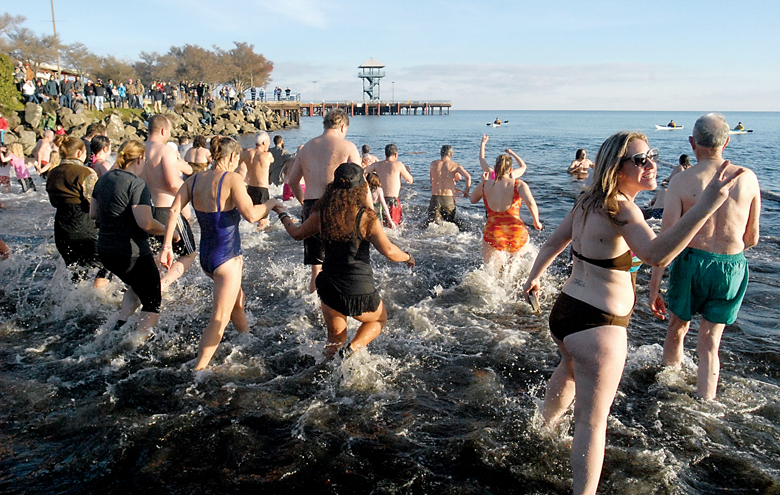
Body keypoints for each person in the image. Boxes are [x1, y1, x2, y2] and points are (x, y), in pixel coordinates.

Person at [522, 131, 743, 495]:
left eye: (651, 156)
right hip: (599, 326)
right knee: (593, 423)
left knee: (569, 371)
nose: (651, 164)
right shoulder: (623, 208)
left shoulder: (588, 201)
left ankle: (540, 431)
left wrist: (535, 277)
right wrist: (706, 205)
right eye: (640, 160)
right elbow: (656, 254)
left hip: (566, 315)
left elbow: (553, 241)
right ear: (617, 167)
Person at [649, 113, 761, 400]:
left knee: (677, 328)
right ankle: (705, 398)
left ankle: (669, 388)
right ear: (726, 143)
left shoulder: (682, 180)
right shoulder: (748, 179)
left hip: (691, 262)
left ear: (692, 142)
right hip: (732, 265)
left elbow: (666, 240)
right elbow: (752, 238)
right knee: (710, 341)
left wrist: (654, 286)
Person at [161, 137, 282, 369]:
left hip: (207, 257)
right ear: (233, 157)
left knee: (237, 300)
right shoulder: (232, 179)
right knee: (219, 319)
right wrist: (272, 203)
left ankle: (247, 339)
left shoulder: (194, 179)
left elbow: (174, 209)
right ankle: (198, 372)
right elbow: (251, 215)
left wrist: (167, 247)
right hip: (227, 258)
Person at [279, 162, 414, 358]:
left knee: (334, 341)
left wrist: (282, 213)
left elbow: (296, 233)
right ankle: (352, 349)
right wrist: (408, 257)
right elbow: (390, 251)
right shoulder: (367, 217)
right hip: (359, 288)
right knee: (378, 320)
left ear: (333, 186)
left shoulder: (322, 213)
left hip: (329, 285)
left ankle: (323, 374)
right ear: (362, 188)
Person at [91, 140, 171, 339]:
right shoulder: (137, 184)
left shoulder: (103, 180)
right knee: (152, 300)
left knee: (136, 286)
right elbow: (147, 224)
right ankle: (138, 344)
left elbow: (93, 213)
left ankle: (120, 326)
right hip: (132, 252)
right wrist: (170, 231)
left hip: (106, 250)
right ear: (140, 158)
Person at [286, 109, 361, 293]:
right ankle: (338, 310)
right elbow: (360, 184)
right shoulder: (348, 147)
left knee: (316, 268)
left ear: (325, 125)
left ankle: (314, 309)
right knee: (342, 263)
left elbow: (293, 181)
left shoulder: (306, 148)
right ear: (343, 126)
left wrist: (304, 202)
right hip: (338, 207)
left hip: (312, 206)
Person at [45, 137, 111, 289]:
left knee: (76, 274)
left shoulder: (52, 173)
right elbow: (94, 203)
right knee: (108, 261)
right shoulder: (86, 172)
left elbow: (53, 202)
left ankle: (75, 303)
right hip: (85, 228)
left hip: (62, 230)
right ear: (80, 152)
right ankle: (98, 297)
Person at [141, 115, 197, 290]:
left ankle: (148, 288)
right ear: (163, 130)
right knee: (189, 253)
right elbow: (173, 183)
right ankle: (162, 285)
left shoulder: (138, 150)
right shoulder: (165, 151)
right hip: (167, 210)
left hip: (145, 210)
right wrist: (194, 192)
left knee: (156, 256)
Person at [470, 153, 542, 269]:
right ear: (511, 169)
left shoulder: (484, 185)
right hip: (517, 233)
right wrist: (536, 221)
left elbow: (473, 200)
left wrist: (484, 181)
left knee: (492, 274)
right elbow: (531, 203)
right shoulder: (519, 185)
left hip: (494, 233)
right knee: (513, 269)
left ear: (495, 168)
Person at [365, 144, 413, 228]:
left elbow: (363, 171)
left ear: (385, 154)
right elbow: (409, 180)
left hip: (378, 200)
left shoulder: (377, 165)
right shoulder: (398, 165)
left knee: (381, 227)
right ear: (395, 154)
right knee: (394, 227)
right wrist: (408, 171)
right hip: (392, 201)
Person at [236, 132, 274, 230]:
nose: (269, 144)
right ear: (264, 143)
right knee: (263, 221)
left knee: (251, 218)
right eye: (269, 142)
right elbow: (272, 160)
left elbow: (236, 162)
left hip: (249, 189)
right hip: (262, 190)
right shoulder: (267, 155)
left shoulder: (247, 153)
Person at [427, 145, 471, 228]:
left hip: (435, 198)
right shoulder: (455, 165)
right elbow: (468, 177)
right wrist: (467, 191)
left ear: (440, 153)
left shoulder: (433, 164)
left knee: (432, 225)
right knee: (453, 225)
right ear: (451, 155)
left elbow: (432, 179)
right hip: (448, 199)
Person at [646, 154, 692, 219]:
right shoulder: (691, 167)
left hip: (659, 211)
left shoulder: (679, 167)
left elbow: (670, 178)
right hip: (687, 189)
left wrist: (665, 180)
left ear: (680, 160)